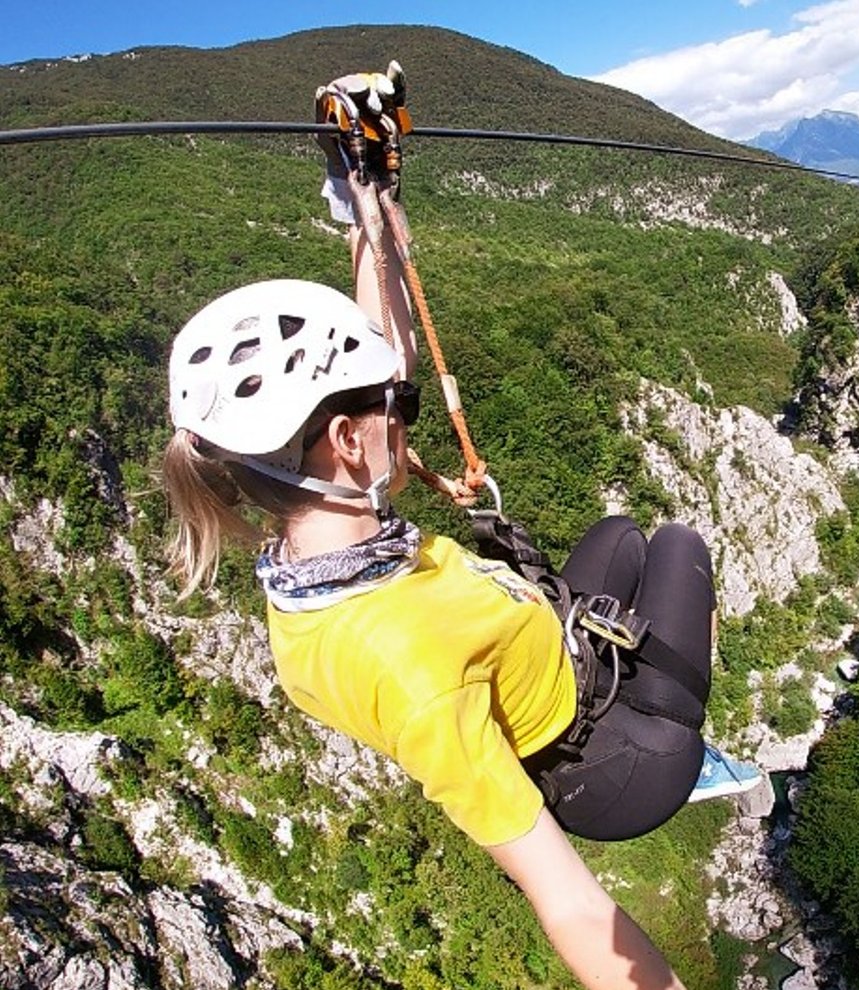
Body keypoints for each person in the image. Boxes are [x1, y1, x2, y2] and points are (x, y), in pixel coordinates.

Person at [160, 69, 761, 990]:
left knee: (621, 537)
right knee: (678, 543)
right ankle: (693, 723)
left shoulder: (324, 543)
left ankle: (641, 660)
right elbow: (568, 904)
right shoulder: (410, 670)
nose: (406, 408)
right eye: (393, 406)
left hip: (544, 650)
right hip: (612, 762)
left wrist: (368, 198)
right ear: (347, 441)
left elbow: (376, 344)